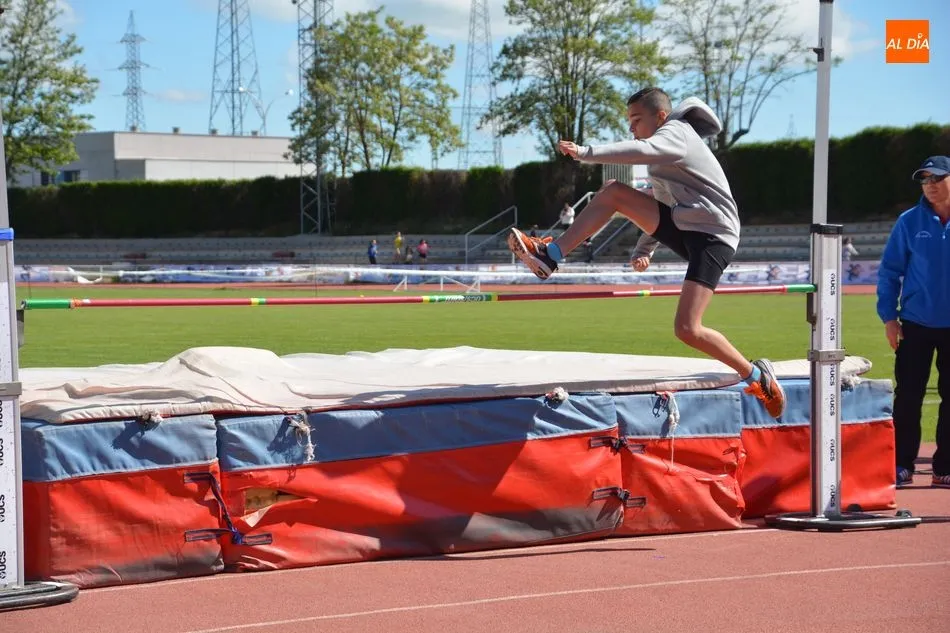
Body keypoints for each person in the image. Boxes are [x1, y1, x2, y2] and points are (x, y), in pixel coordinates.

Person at [504, 86, 786, 418]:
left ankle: (756, 376)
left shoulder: (677, 132)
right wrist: (645, 249)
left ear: (661, 117)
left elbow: (642, 149)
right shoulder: (660, 162)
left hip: (714, 236)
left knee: (688, 329)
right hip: (686, 227)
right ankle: (550, 255)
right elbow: (662, 205)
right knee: (613, 192)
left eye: (636, 119)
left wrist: (585, 151)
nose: (631, 127)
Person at [876, 155, 950, 489]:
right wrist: (889, 318)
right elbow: (890, 272)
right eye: (925, 180)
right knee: (907, 397)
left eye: (937, 178)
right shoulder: (908, 222)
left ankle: (944, 467)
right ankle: (902, 463)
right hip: (915, 324)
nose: (930, 185)